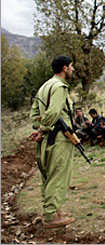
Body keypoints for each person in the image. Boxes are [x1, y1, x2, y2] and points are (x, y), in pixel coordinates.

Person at [29, 55, 76, 228]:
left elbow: (33, 115)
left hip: (45, 140)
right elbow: (54, 113)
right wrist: (43, 128)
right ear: (64, 68)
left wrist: (38, 128)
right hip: (58, 139)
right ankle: (51, 217)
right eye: (71, 66)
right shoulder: (60, 87)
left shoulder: (44, 87)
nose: (73, 69)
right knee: (58, 175)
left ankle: (53, 209)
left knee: (48, 175)